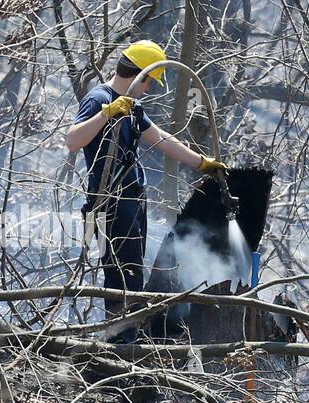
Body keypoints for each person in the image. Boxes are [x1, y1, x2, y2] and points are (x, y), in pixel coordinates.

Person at [64, 40, 227, 321]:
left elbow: (162, 139)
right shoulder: (99, 99)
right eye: (149, 81)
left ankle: (125, 332)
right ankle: (119, 339)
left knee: (134, 269)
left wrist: (202, 163)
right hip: (109, 202)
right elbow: (73, 140)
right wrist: (106, 114)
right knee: (120, 271)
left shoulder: (133, 107)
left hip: (133, 198)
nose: (149, 88)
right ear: (137, 73)